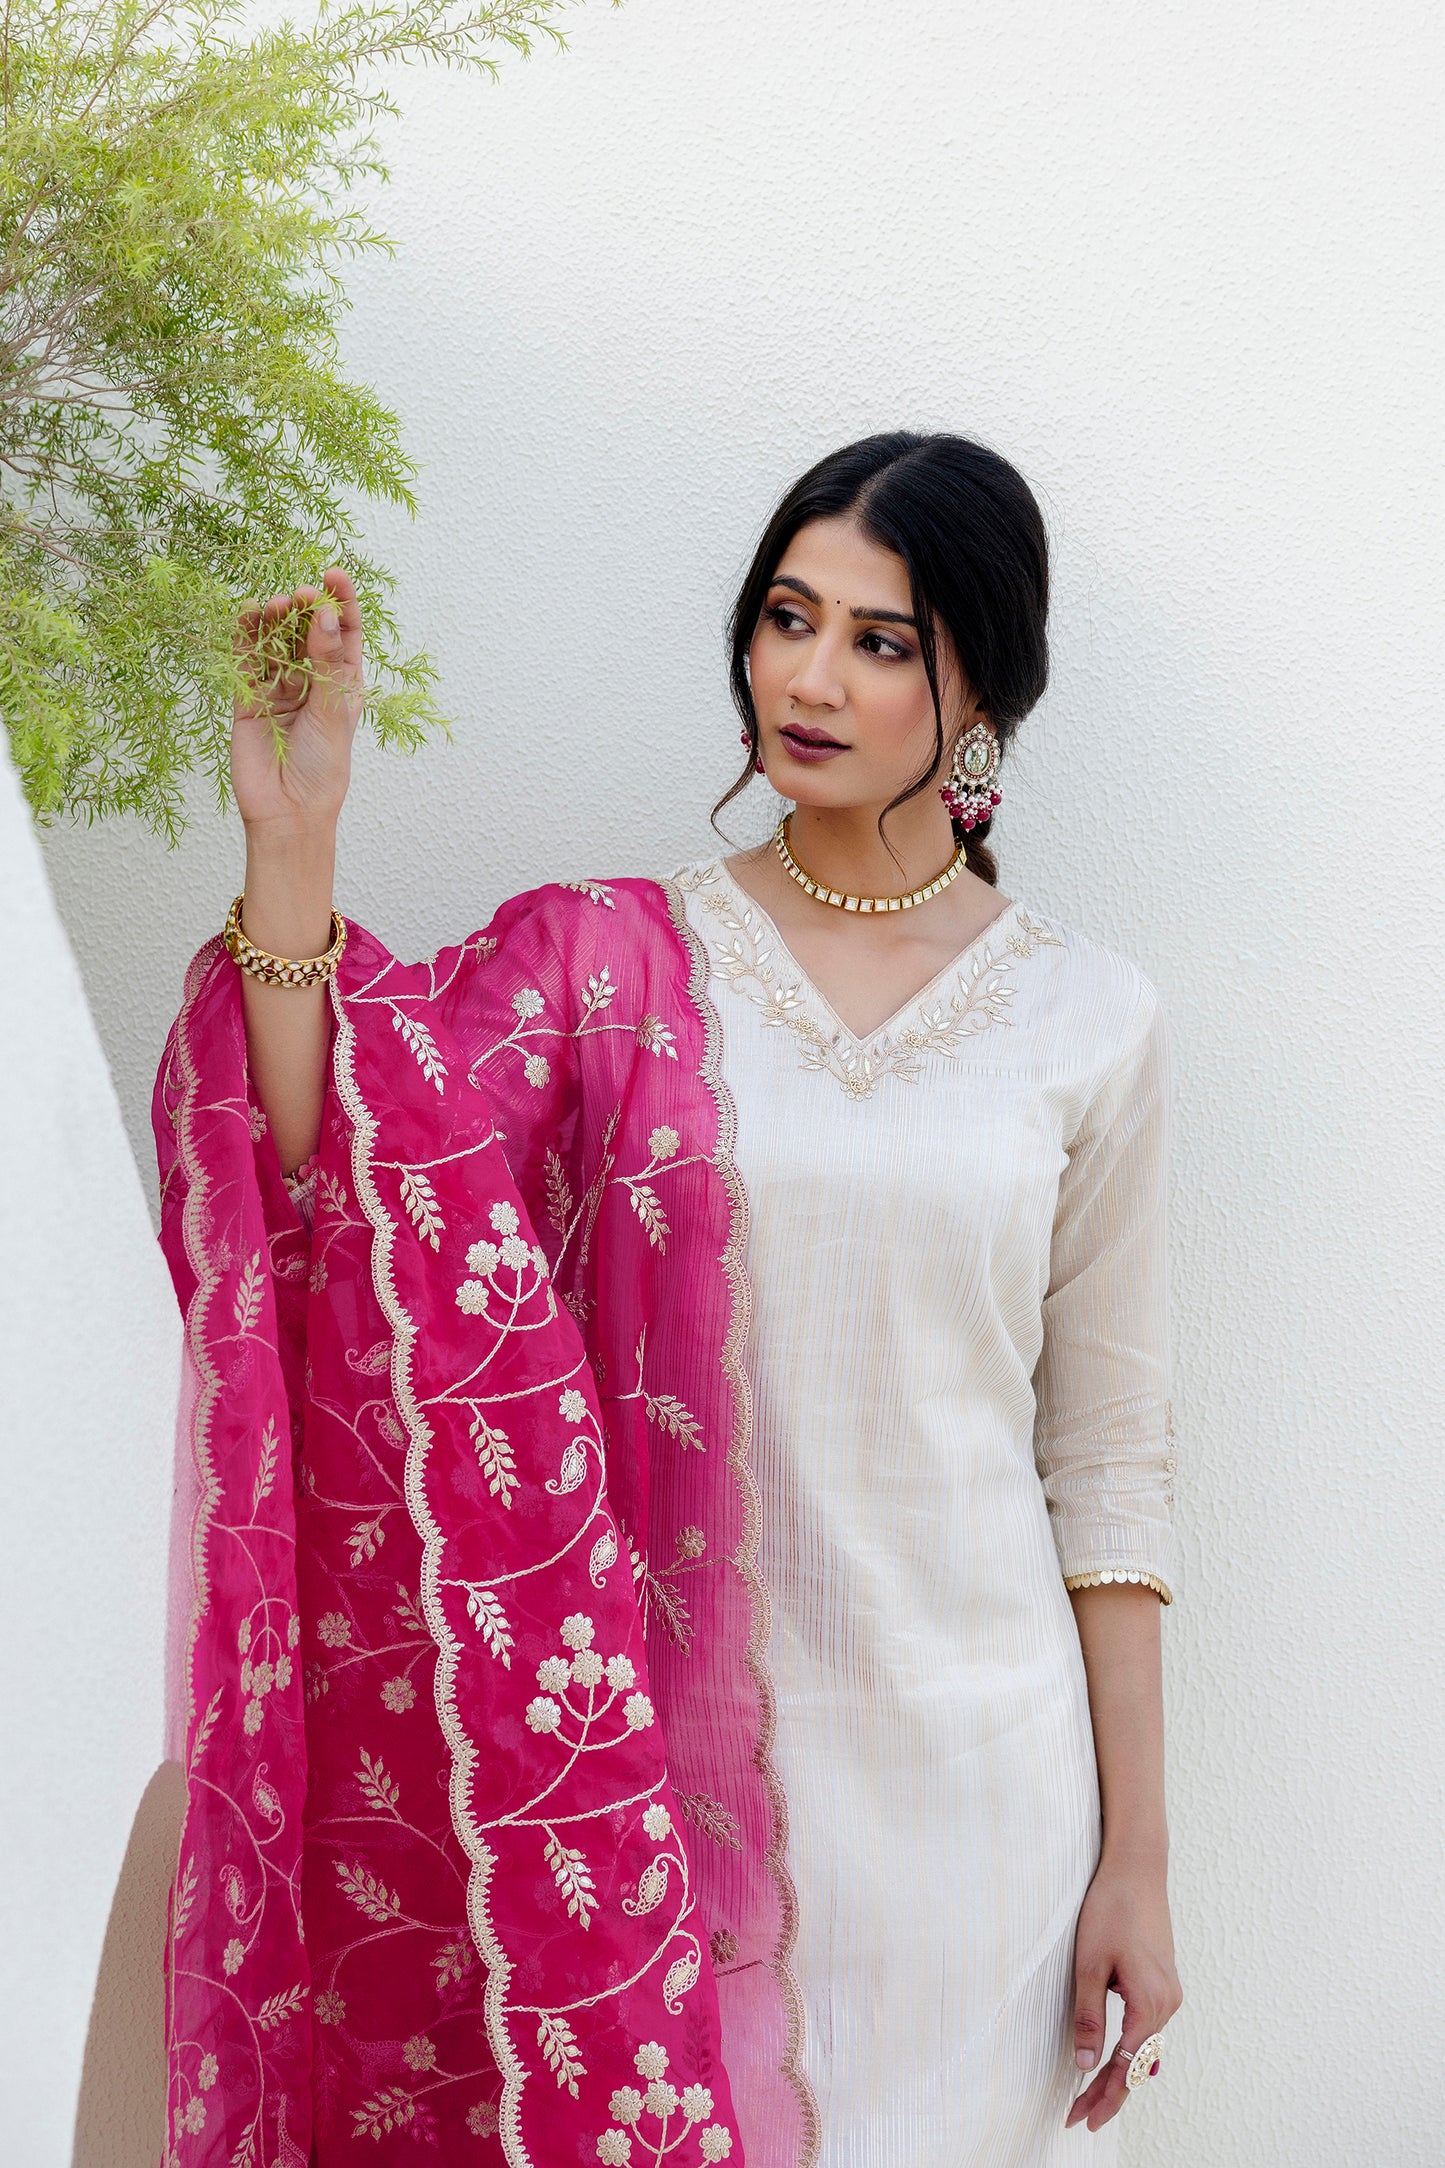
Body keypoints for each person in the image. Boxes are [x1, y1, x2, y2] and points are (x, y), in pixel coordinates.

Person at [153, 432, 1183, 2168]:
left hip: (982, 1817)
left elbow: (1110, 1465)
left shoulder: (1087, 1017)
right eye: (786, 616)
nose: (809, 676)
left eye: (878, 641)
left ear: (981, 696)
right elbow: (346, 1172)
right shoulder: (606, 963)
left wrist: (1135, 1861)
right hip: (654, 1805)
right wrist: (296, 846)